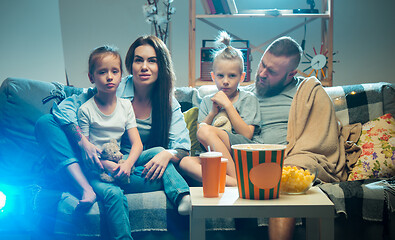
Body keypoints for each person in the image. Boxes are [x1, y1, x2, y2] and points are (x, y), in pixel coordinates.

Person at [35, 35, 191, 240]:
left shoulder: (167, 102)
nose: (144, 66)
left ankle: (182, 195)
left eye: (152, 60)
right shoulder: (112, 86)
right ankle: (83, 181)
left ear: (161, 66)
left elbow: (182, 147)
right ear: (130, 66)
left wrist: (167, 155)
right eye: (138, 60)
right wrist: (84, 143)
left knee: (160, 156)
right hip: (97, 160)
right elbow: (64, 111)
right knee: (45, 122)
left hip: (130, 163)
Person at [242, 36, 351, 240]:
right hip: (245, 159)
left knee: (286, 181)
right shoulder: (243, 95)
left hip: (288, 161)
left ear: (290, 74)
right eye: (262, 65)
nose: (262, 74)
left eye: (272, 72)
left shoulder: (308, 92)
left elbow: (320, 140)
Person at [179, 31, 261, 186]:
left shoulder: (248, 99)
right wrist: (212, 113)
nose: (225, 81)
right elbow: (199, 135)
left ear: (242, 77)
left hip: (242, 153)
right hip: (214, 155)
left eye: (232, 76)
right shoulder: (206, 101)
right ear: (213, 76)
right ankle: (234, 183)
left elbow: (247, 134)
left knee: (205, 130)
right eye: (220, 76)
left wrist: (228, 106)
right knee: (185, 163)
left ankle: (236, 178)